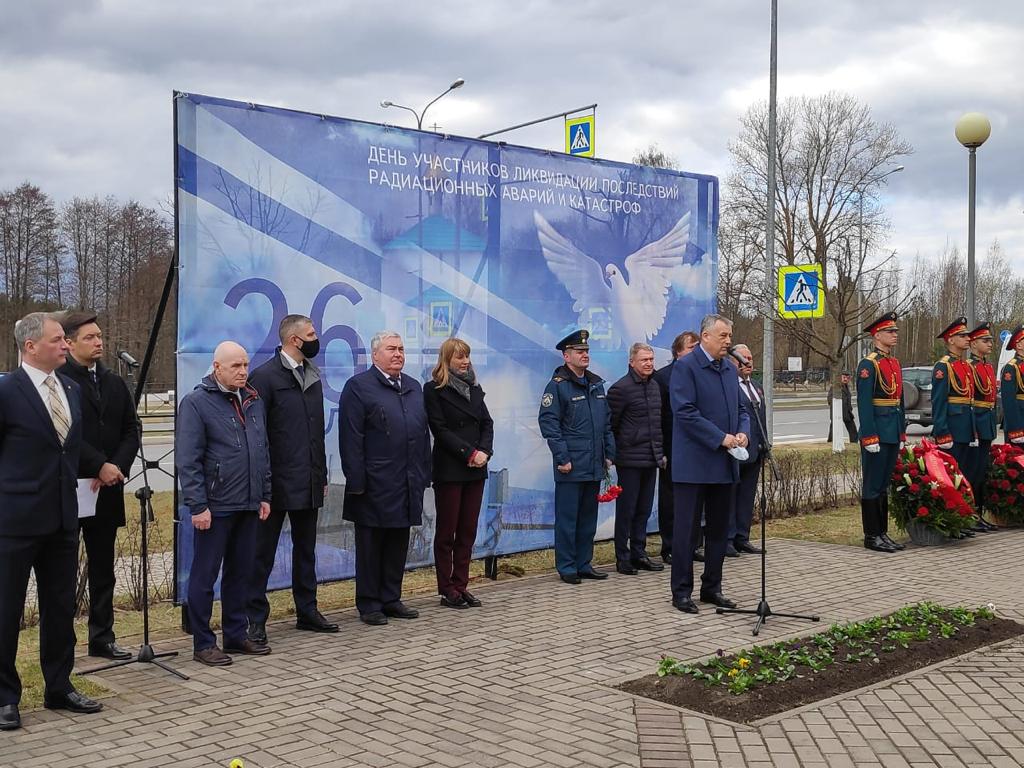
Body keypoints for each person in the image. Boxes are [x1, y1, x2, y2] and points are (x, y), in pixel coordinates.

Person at [0, 313, 102, 731]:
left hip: (63, 518)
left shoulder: (71, 389)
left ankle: (59, 686)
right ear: (30, 347)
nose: (66, 345)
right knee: (6, 612)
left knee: (60, 609)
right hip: (15, 521)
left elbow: (70, 452)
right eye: (58, 339)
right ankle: (5, 697)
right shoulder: (6, 391)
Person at [176, 341, 272, 666]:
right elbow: (188, 461)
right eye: (236, 366)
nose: (243, 371)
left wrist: (264, 494)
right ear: (217, 368)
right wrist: (198, 505)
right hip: (215, 507)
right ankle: (203, 642)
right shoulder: (196, 403)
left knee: (240, 573)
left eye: (245, 365)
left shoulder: (253, 400)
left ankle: (235, 633)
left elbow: (261, 450)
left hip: (248, 502)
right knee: (205, 576)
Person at [246, 315, 336, 646]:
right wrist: (264, 484)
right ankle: (254, 620)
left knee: (306, 550)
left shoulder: (311, 376)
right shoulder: (265, 377)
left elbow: (315, 433)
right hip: (275, 483)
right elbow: (258, 435)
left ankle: (307, 610)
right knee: (262, 554)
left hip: (308, 478)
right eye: (311, 334)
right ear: (294, 340)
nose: (317, 339)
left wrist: (321, 473)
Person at [59, 311, 140, 661]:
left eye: (100, 336)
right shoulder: (59, 381)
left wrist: (116, 467)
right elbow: (64, 433)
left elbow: (130, 430)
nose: (99, 342)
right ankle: (61, 645)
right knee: (61, 571)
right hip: (68, 487)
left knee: (103, 568)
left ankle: (102, 637)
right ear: (69, 342)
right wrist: (98, 465)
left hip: (106, 490)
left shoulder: (112, 381)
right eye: (90, 337)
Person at [339, 331, 431, 625]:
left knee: (397, 542)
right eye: (391, 349)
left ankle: (391, 597)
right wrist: (356, 482)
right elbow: (351, 439)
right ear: (375, 354)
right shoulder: (358, 388)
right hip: (374, 483)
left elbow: (422, 434)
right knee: (371, 545)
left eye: (401, 349)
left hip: (407, 480)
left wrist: (424, 474)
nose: (398, 354)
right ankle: (369, 603)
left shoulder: (414, 387)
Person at [668, 314, 749, 614]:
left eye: (729, 336)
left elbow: (743, 408)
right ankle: (681, 591)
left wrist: (744, 433)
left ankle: (712, 587)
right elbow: (685, 412)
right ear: (705, 337)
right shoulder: (685, 368)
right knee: (687, 532)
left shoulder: (729, 369)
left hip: (724, 464)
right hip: (694, 465)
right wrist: (721, 438)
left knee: (718, 531)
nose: (728, 341)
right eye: (723, 336)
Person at [538, 329, 616, 585]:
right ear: (566, 356)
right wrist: (562, 457)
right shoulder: (558, 386)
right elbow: (549, 424)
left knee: (587, 520)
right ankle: (567, 566)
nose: (585, 355)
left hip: (593, 464)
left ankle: (584, 563)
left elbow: (606, 424)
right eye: (579, 352)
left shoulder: (596, 385)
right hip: (570, 465)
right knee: (568, 520)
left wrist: (609, 453)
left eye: (586, 351)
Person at [423, 338, 494, 609]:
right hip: (451, 469)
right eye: (459, 357)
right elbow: (440, 430)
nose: (465, 362)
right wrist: (469, 453)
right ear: (446, 360)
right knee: (447, 532)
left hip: (477, 469)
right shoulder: (433, 390)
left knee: (467, 531)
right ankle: (447, 588)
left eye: (467, 357)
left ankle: (461, 584)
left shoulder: (474, 388)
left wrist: (484, 452)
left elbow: (487, 423)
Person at [607, 342, 665, 575]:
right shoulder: (620, 389)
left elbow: (657, 424)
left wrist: (660, 454)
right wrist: (615, 452)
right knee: (627, 511)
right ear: (632, 362)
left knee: (644, 509)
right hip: (629, 460)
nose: (649, 363)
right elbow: (611, 425)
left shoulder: (655, 387)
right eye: (644, 360)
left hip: (651, 459)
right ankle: (623, 557)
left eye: (651, 359)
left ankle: (639, 553)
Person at [856, 312, 907, 554]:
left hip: (892, 429)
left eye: (895, 331)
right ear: (877, 335)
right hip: (877, 431)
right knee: (872, 485)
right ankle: (871, 535)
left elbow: (900, 399)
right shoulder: (869, 364)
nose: (895, 335)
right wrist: (869, 436)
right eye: (890, 331)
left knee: (884, 484)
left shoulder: (893, 363)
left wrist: (902, 430)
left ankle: (882, 533)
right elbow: (865, 404)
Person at [652, 331, 698, 563]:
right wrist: (661, 451)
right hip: (672, 447)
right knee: (671, 500)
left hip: (698, 447)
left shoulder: (702, 373)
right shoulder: (662, 378)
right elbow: (657, 417)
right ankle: (669, 546)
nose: (696, 351)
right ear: (677, 351)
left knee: (695, 500)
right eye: (691, 347)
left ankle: (693, 544)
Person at [727, 344, 765, 557]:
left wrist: (765, 444)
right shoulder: (730, 386)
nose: (747, 362)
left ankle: (743, 536)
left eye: (750, 358)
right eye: (742, 358)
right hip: (736, 450)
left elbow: (761, 419)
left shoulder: (756, 386)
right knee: (731, 496)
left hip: (756, 450)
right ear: (732, 362)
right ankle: (728, 539)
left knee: (746, 497)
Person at [932, 317, 977, 482]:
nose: (968, 339)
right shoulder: (943, 366)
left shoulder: (966, 366)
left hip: (966, 429)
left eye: (968, 336)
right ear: (951, 340)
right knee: (951, 477)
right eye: (963, 336)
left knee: (964, 476)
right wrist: (942, 432)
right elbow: (939, 401)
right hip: (952, 429)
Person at [968, 322, 998, 531]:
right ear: (973, 344)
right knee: (973, 471)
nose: (989, 344)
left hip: (986, 420)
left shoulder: (987, 366)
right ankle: (971, 515)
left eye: (990, 340)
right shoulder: (969, 366)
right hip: (975, 420)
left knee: (982, 472)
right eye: (984, 341)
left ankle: (979, 513)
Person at [999, 324, 1024, 448]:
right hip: (1019, 421)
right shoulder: (1011, 367)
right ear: (1019, 345)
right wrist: (1015, 429)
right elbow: (1009, 400)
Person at [827, 372, 858, 443]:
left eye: (847, 378)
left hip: (847, 412)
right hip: (837, 412)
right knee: (834, 429)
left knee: (852, 430)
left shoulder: (846, 387)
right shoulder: (836, 387)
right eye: (844, 377)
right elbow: (829, 399)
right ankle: (830, 442)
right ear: (840, 377)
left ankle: (854, 442)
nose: (846, 379)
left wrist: (849, 409)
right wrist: (836, 407)